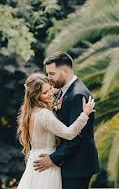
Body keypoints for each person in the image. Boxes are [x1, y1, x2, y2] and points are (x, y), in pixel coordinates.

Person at [32, 52, 100, 189]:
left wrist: (54, 158)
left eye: (52, 74)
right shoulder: (65, 91)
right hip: (69, 163)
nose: (49, 78)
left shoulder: (78, 94)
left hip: (77, 166)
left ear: (65, 71)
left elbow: (77, 135)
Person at [16, 71, 95, 189]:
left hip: (35, 161)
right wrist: (85, 114)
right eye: (45, 92)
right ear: (36, 96)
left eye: (50, 89)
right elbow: (69, 134)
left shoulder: (30, 112)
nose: (50, 94)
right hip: (47, 164)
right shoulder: (44, 115)